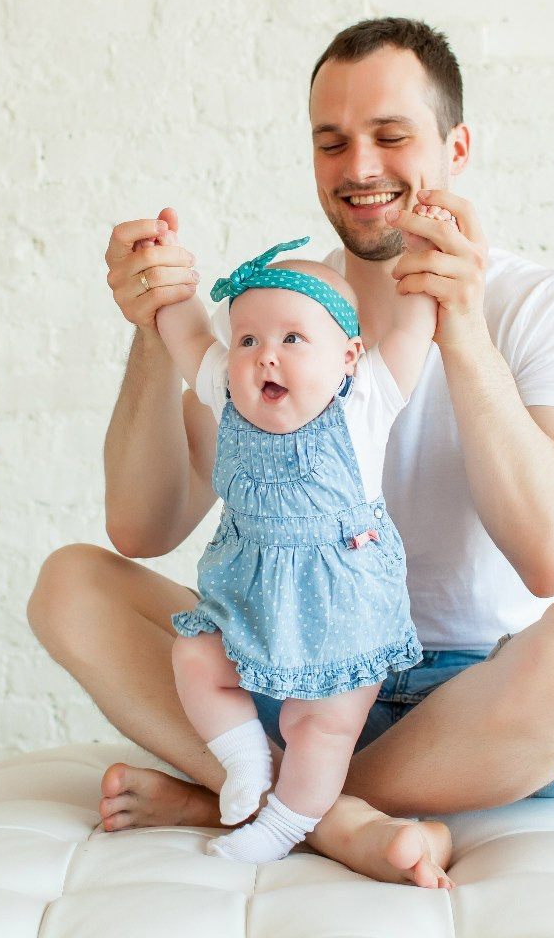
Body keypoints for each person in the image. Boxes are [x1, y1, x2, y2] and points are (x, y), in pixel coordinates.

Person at [28, 18, 554, 889]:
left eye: (391, 138)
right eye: (333, 142)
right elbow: (140, 527)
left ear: (457, 146)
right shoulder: (281, 316)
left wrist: (462, 332)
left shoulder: (547, 305)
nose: (360, 167)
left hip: (479, 706)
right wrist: (149, 331)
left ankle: (257, 806)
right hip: (295, 678)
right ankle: (329, 816)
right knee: (72, 581)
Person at [153, 234, 437, 864]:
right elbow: (186, 330)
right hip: (247, 600)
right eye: (247, 340)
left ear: (350, 357)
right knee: (196, 658)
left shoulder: (366, 400)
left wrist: (426, 251)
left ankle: (284, 827)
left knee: (321, 727)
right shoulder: (225, 394)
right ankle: (244, 761)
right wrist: (161, 268)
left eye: (292, 339)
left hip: (343, 606)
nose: (265, 358)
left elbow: (418, 323)